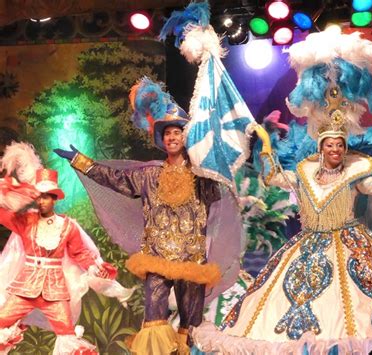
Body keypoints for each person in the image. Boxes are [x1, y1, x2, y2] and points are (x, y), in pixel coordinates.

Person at [191, 27, 372, 354]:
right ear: (321, 148)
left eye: (339, 144)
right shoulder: (304, 170)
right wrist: (264, 148)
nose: (335, 149)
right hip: (308, 247)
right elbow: (274, 178)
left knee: (360, 310)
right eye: (330, 144)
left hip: (352, 246)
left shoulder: (355, 168)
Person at [54, 78, 221, 355]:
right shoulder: (149, 174)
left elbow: (217, 189)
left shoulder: (201, 175)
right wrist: (80, 161)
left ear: (185, 136)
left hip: (191, 260)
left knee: (191, 328)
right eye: (166, 133)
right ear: (161, 140)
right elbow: (114, 178)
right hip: (156, 257)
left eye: (177, 132)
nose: (171, 137)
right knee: (153, 323)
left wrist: (208, 156)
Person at [0, 163, 129, 355]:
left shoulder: (67, 226)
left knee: (67, 333)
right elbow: (3, 215)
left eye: (46, 196)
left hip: (54, 290)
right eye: (39, 196)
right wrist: (7, 191)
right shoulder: (25, 220)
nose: (41, 201)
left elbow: (80, 253)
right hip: (26, 286)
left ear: (54, 199)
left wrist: (94, 267)